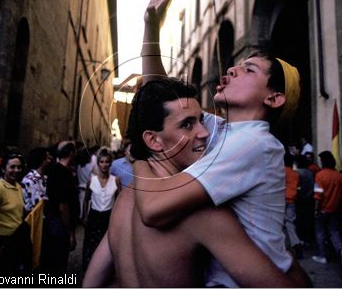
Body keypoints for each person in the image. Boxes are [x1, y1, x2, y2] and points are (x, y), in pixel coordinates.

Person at [133, 0, 303, 286]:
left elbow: (154, 209)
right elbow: (158, 98)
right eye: (237, 65)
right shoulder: (224, 131)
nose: (232, 71)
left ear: (274, 98)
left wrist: (139, 164)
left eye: (248, 70)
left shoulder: (253, 144)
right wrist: (150, 27)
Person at [83, 77, 309, 287]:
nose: (203, 132)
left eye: (201, 120)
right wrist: (286, 260)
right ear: (153, 140)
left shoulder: (125, 199)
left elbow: (90, 283)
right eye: (187, 125)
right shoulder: (199, 212)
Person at [0, 151, 31, 274]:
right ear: (3, 169)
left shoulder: (18, 186)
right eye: (12, 167)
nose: (16, 170)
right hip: (0, 243)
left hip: (15, 240)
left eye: (19, 167)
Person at [41, 140, 78, 274]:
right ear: (71, 153)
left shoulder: (54, 169)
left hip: (53, 222)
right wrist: (70, 232)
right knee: (58, 264)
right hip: (59, 225)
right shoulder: (63, 173)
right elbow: (63, 206)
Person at [82, 147, 121, 271]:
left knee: (107, 247)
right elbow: (86, 199)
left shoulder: (116, 180)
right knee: (91, 246)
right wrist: (85, 216)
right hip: (94, 216)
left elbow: (120, 202)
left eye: (107, 162)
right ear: (98, 163)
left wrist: (118, 219)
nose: (104, 165)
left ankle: (104, 273)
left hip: (108, 217)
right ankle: (89, 272)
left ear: (110, 163)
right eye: (102, 162)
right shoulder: (91, 180)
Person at [312, 151, 342, 265]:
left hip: (323, 209)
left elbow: (318, 195)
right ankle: (341, 250)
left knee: (320, 231)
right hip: (335, 208)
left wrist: (316, 210)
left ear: (323, 162)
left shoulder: (320, 175)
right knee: (334, 231)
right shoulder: (341, 177)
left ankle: (322, 255)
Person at [283, 153, 303, 259]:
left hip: (281, 201)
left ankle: (282, 248)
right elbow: (298, 187)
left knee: (279, 224)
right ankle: (296, 244)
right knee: (290, 223)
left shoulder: (280, 171)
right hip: (292, 200)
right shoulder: (296, 174)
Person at [21, 147, 52, 215]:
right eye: (48, 158)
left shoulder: (44, 178)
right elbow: (37, 204)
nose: (50, 161)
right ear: (42, 160)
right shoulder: (30, 180)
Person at [294, 154, 315, 245]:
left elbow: (297, 187)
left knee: (300, 220)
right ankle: (308, 239)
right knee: (307, 220)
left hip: (300, 199)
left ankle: (301, 239)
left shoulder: (298, 173)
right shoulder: (310, 172)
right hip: (309, 199)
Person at [76, 146, 95, 219]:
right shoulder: (91, 166)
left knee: (81, 209)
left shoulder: (78, 166)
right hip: (88, 190)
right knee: (87, 209)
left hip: (80, 189)